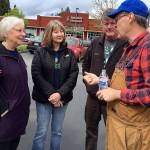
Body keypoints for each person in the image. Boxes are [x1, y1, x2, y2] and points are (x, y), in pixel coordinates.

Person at [85, 0, 150, 149]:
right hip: (119, 131)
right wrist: (101, 82)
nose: (115, 23)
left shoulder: (147, 47)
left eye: (118, 18)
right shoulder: (130, 47)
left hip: (133, 136)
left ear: (131, 17)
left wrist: (118, 94)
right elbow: (130, 83)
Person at [82, 9, 127, 150]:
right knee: (91, 132)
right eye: (106, 23)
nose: (109, 27)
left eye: (112, 23)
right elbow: (85, 64)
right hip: (93, 97)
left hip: (113, 99)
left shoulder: (125, 44)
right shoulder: (95, 42)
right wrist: (86, 79)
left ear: (118, 24)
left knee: (114, 134)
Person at [31, 20, 79, 150]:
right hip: (43, 99)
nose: (60, 34)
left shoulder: (70, 53)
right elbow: (36, 75)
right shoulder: (40, 52)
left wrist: (60, 94)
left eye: (62, 31)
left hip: (62, 100)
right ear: (49, 34)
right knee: (41, 132)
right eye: (56, 31)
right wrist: (52, 94)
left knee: (57, 132)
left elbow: (73, 75)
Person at [0, 16, 30, 150]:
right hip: (4, 122)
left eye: (23, 30)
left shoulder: (17, 55)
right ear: (6, 33)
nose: (23, 34)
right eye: (19, 30)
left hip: (18, 119)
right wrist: (4, 109)